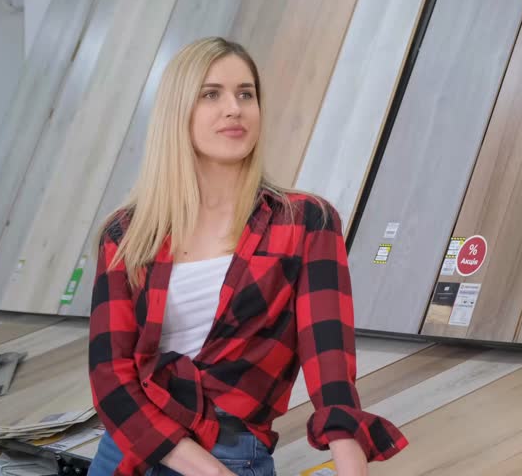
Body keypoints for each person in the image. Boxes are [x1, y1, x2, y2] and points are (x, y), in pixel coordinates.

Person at [87, 37, 407, 476]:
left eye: (246, 94)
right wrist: (205, 469)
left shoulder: (304, 221)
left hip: (234, 448)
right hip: (132, 451)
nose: (234, 108)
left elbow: (329, 359)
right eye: (210, 94)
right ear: (177, 112)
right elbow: (110, 376)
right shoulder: (127, 234)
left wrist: (352, 464)